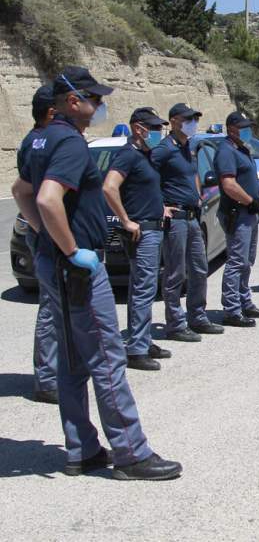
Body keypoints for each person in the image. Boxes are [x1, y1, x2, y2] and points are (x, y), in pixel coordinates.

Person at [11, 66, 181, 480]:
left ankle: (82, 448)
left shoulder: (36, 139)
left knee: (72, 361)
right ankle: (131, 454)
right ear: (73, 102)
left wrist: (46, 239)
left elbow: (21, 192)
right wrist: (72, 249)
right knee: (106, 356)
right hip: (78, 266)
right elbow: (49, 199)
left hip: (55, 264)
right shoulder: (68, 141)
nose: (101, 105)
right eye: (96, 99)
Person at [103, 107, 172, 371]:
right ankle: (137, 350)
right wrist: (125, 220)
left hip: (153, 226)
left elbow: (146, 189)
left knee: (142, 288)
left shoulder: (145, 155)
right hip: (141, 231)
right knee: (143, 289)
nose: (156, 132)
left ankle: (141, 339)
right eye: (152, 127)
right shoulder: (127, 155)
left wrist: (161, 207)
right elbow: (109, 187)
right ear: (137, 128)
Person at [152, 103, 224, 341]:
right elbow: (146, 178)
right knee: (175, 273)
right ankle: (175, 323)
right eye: (188, 119)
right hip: (176, 220)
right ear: (173, 121)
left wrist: (198, 195)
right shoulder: (164, 149)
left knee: (200, 268)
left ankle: (197, 316)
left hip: (193, 216)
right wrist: (159, 206)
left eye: (194, 118)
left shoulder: (187, 148)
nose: (192, 123)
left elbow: (192, 174)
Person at [14, 85, 59, 404]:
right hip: (47, 236)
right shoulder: (37, 143)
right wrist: (43, 229)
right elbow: (24, 191)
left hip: (50, 233)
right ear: (52, 112)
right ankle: (47, 379)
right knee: (51, 307)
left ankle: (56, 371)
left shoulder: (39, 140)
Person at [215, 111, 259, 327]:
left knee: (247, 261)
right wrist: (249, 200)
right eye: (244, 126)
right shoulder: (226, 151)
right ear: (231, 129)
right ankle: (231, 309)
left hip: (249, 212)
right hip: (238, 212)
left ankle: (244, 301)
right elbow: (228, 184)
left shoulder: (241, 149)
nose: (248, 130)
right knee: (237, 262)